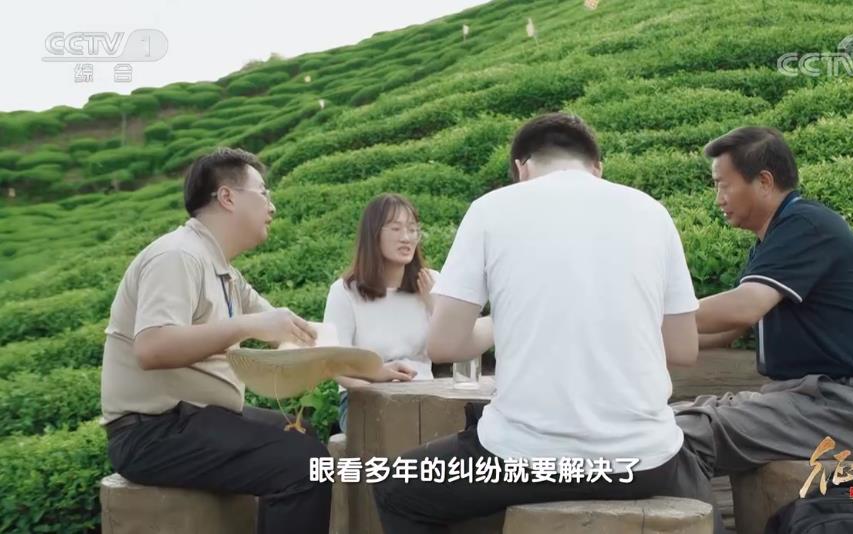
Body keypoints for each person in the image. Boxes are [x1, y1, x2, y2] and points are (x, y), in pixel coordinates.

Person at [372, 113, 722, 533]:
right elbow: (683, 349)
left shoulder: (491, 210)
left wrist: (506, 322)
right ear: (597, 168)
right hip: (646, 462)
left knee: (394, 487)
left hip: (524, 460)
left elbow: (445, 345)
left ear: (521, 168)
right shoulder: (651, 212)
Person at [101, 147, 334, 534]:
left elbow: (293, 330)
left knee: (300, 432)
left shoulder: (223, 271)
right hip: (153, 432)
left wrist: (368, 363)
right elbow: (152, 347)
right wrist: (248, 326)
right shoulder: (177, 256)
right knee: (304, 463)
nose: (272, 206)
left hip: (197, 420)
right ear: (227, 197)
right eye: (263, 193)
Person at [674, 126, 853, 479]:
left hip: (845, 410)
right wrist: (646, 341)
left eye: (723, 185)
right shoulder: (774, 238)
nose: (718, 199)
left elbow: (744, 307)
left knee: (681, 434)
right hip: (803, 402)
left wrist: (648, 316)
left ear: (764, 181)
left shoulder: (805, 225)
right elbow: (728, 330)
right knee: (666, 419)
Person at [325, 193, 462, 432]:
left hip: (425, 396)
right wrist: (374, 384)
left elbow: (458, 346)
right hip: (366, 398)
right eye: (396, 229)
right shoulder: (345, 291)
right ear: (373, 234)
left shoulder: (431, 282)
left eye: (412, 229)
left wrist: (434, 304)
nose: (406, 237)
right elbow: (332, 363)